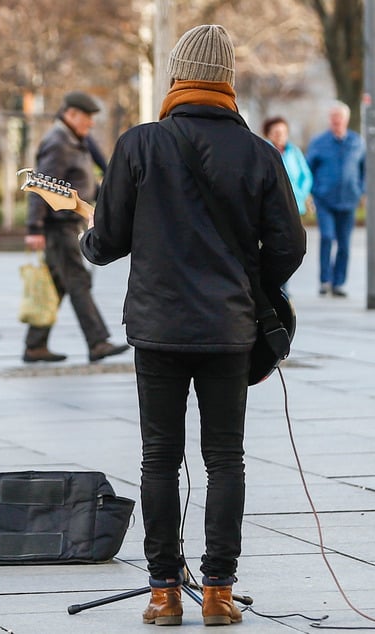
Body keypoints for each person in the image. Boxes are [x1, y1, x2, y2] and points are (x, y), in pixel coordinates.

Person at [80, 25, 305, 626]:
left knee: (159, 457)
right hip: (230, 329)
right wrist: (251, 282)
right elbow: (290, 244)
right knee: (225, 459)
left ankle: (162, 593)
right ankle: (220, 593)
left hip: (157, 327)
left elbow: (107, 243)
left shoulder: (138, 145)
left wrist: (88, 235)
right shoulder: (259, 153)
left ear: (177, 76)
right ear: (227, 80)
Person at [23, 91, 128, 364]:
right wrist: (34, 227)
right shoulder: (58, 143)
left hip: (72, 221)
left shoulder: (76, 141)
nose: (91, 123)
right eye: (87, 118)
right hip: (59, 226)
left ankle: (35, 345)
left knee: (61, 282)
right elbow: (41, 186)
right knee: (78, 281)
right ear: (70, 114)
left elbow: (90, 178)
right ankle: (98, 342)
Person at [306, 101, 365, 297]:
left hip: (349, 200)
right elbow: (308, 170)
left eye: (339, 117)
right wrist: (313, 191)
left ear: (346, 119)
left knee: (345, 244)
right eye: (333, 117)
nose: (336, 121)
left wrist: (360, 190)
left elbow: (365, 169)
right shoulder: (319, 142)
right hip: (325, 200)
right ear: (329, 120)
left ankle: (338, 283)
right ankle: (325, 280)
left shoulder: (357, 142)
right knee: (327, 237)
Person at [262, 116, 313, 216]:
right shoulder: (263, 152)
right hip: (271, 206)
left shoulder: (294, 151)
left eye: (284, 132)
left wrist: (301, 193)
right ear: (268, 134)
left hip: (295, 204)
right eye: (277, 132)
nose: (281, 136)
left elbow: (306, 175)